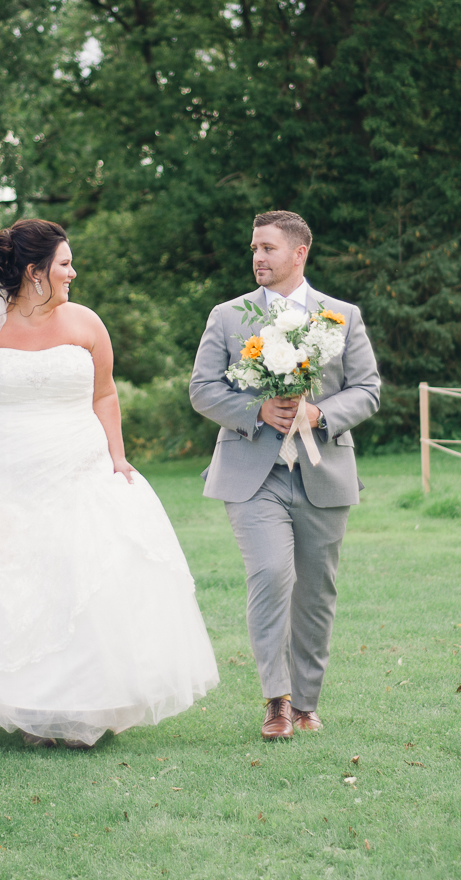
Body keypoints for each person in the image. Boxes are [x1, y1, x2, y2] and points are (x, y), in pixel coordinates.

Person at [0, 219, 218, 748]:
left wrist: (117, 457)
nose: (74, 272)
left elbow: (104, 395)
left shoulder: (87, 323)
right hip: (0, 472)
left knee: (78, 576)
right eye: (65, 263)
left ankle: (73, 709)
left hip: (78, 468)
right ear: (34, 272)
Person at [189, 210, 381, 740]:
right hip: (254, 474)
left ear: (299, 254)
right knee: (272, 574)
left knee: (316, 592)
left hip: (323, 470)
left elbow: (367, 390)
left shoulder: (341, 316)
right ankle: (277, 700)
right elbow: (203, 389)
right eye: (254, 248)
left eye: (268, 248)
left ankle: (307, 704)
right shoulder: (228, 316)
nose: (257, 257)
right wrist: (256, 412)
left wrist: (319, 414)